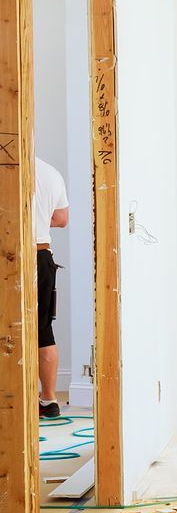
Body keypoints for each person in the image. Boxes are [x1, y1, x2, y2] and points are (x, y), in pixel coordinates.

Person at [32, 155, 68, 418]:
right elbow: (62, 218)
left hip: (8, 255)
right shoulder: (50, 172)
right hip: (41, 255)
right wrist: (40, 221)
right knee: (43, 329)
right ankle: (49, 400)